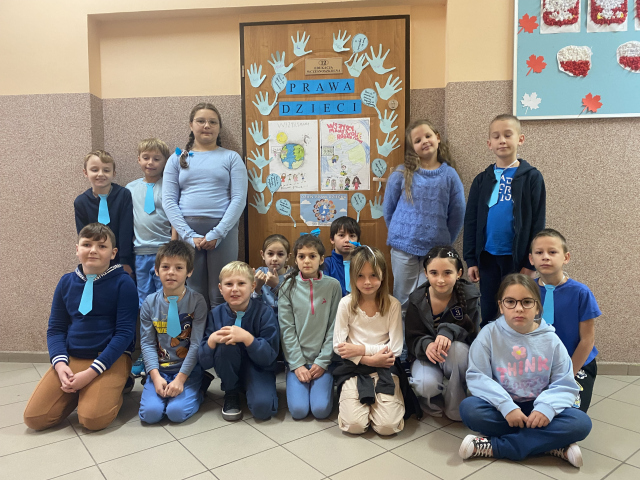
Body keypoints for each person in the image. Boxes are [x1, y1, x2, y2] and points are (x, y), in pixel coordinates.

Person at [458, 274, 592, 467]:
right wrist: (506, 406)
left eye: (527, 302)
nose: (519, 308)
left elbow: (564, 383)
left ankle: (495, 446)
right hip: (503, 408)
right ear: (501, 306)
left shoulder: (551, 340)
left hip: (539, 408)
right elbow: (478, 377)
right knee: (470, 409)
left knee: (581, 423)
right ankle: (550, 444)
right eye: (510, 302)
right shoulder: (488, 335)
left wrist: (546, 408)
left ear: (537, 307)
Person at [23, 224, 138, 431]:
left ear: (113, 253)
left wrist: (91, 373)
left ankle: (117, 385)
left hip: (109, 357)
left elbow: (124, 334)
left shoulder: (124, 283)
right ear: (77, 249)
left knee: (92, 420)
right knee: (35, 418)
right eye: (87, 245)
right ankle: (83, 392)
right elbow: (56, 329)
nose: (93, 250)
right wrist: (60, 365)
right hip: (73, 357)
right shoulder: (66, 282)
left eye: (101, 246)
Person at [163, 102, 248, 309]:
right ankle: (198, 331)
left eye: (212, 122)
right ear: (191, 125)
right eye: (201, 121)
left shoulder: (231, 157)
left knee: (222, 290)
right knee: (194, 289)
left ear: (219, 127)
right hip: (187, 231)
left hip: (223, 231)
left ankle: (221, 330)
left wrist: (218, 232)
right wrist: (187, 235)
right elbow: (168, 201)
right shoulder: (177, 159)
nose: (207, 126)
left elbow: (239, 199)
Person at [463, 114, 546, 327]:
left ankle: (516, 348)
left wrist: (530, 263)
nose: (502, 140)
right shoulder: (482, 180)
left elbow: (538, 224)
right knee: (490, 311)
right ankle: (490, 346)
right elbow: (470, 221)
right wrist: (471, 260)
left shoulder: (532, 177)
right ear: (489, 143)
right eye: (496, 136)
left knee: (516, 310)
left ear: (520, 139)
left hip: (516, 259)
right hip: (488, 258)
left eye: (508, 135)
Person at [383, 119, 465, 310]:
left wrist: (445, 241)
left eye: (428, 136)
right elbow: (388, 209)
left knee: (429, 299)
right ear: (412, 147)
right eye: (417, 140)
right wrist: (399, 233)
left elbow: (458, 213)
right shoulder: (402, 173)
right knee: (403, 299)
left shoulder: (450, 175)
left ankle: (426, 331)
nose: (424, 141)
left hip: (435, 250)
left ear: (437, 137)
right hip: (403, 247)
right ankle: (402, 330)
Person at [332, 246, 405, 435]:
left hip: (385, 367)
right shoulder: (346, 304)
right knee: (354, 425)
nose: (367, 282)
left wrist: (359, 349)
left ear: (383, 275)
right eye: (360, 276)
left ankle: (381, 408)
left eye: (373, 275)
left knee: (387, 427)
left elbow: (396, 348)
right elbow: (339, 346)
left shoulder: (393, 305)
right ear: (352, 277)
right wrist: (369, 359)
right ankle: (360, 408)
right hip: (354, 368)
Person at [405, 246, 480, 421]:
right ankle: (433, 400)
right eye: (434, 273)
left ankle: (456, 400)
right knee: (425, 385)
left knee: (457, 351)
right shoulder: (416, 299)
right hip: (426, 355)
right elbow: (411, 337)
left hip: (455, 355)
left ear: (459, 273)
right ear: (425, 273)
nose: (440, 280)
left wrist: (448, 332)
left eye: (447, 273)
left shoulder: (470, 295)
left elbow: (472, 333)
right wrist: (426, 345)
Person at [530, 229, 601, 412]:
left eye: (552, 252)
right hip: (536, 365)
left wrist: (566, 376)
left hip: (575, 364)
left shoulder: (581, 293)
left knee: (570, 414)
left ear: (566, 257)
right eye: (539, 252)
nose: (545, 257)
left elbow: (587, 341)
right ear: (531, 259)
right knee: (527, 410)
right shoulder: (526, 291)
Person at [199, 262, 279, 421]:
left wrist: (248, 339)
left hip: (259, 368)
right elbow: (204, 362)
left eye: (241, 283)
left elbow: (269, 357)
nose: (234, 289)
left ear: (253, 286)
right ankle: (231, 391)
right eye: (229, 284)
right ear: (220, 288)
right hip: (229, 368)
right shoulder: (215, 314)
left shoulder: (265, 312)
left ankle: (250, 386)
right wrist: (212, 341)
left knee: (263, 410)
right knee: (225, 341)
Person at [138, 240, 207, 423]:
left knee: (176, 413)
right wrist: (155, 376)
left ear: (189, 272)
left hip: (187, 370)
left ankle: (200, 390)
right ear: (157, 270)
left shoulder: (197, 301)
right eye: (165, 267)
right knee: (150, 415)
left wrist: (181, 379)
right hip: (159, 369)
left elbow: (196, 344)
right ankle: (158, 388)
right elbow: (147, 343)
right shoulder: (149, 303)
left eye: (179, 268)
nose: (171, 272)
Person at [278, 234, 342, 420]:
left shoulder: (333, 286)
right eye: (302, 256)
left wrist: (322, 362)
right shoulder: (286, 287)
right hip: (297, 361)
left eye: (312, 256)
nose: (307, 261)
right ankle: (293, 374)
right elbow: (287, 329)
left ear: (321, 259)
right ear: (295, 259)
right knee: (298, 411)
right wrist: (297, 364)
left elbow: (334, 327)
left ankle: (326, 380)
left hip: (323, 361)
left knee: (321, 410)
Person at [125, 138, 175, 307]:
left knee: (166, 295)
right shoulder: (130, 189)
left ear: (165, 161)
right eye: (146, 158)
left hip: (164, 251)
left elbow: (175, 218)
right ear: (139, 159)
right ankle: (147, 325)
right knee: (144, 296)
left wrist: (173, 246)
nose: (150, 162)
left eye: (156, 158)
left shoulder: (170, 187)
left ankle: (165, 325)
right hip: (140, 251)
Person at [74, 150, 133, 274]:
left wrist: (124, 260)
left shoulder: (123, 195)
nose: (100, 174)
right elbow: (84, 235)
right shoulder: (81, 202)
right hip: (95, 258)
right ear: (85, 172)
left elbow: (126, 230)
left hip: (121, 258)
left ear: (114, 173)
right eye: (94, 170)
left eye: (106, 170)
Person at [253, 234, 291, 316]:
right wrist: (257, 287)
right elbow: (250, 304)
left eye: (280, 254)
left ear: (288, 256)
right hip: (262, 319)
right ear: (262, 255)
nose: (275, 259)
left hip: (284, 319)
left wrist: (276, 286)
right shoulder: (258, 274)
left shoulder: (294, 276)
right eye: (270, 254)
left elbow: (295, 304)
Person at [323, 216, 361, 297]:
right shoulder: (326, 264)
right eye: (341, 235)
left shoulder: (362, 262)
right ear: (332, 239)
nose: (347, 240)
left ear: (357, 240)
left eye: (352, 236)